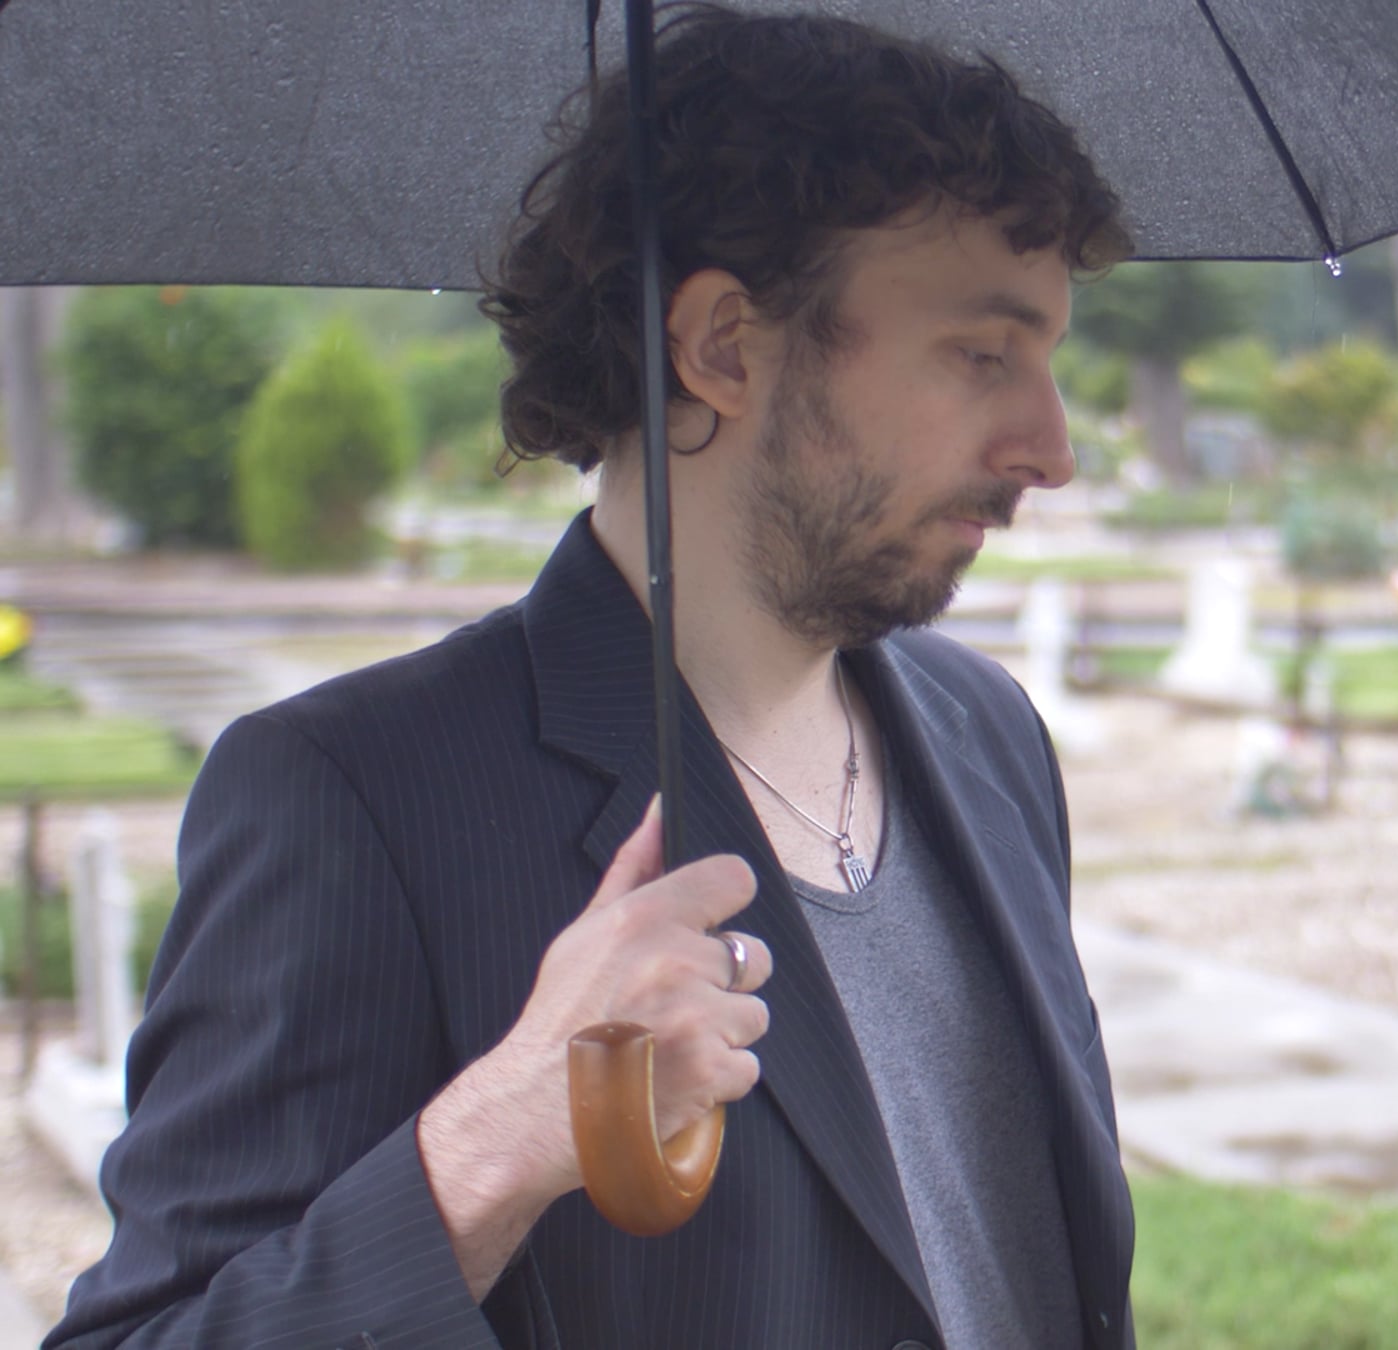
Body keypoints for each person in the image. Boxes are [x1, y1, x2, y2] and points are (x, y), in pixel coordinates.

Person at [51, 9, 1136, 1347]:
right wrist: (493, 1142)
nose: (1050, 447)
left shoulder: (990, 735)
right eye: (983, 354)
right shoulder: (354, 799)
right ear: (722, 345)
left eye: (1049, 362)